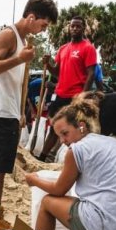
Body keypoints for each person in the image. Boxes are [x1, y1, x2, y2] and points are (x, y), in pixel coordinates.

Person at [0, 0, 58, 230]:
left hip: (9, 109)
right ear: (31, 17)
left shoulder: (22, 39)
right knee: (1, 166)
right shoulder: (9, 35)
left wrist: (21, 112)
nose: (43, 29)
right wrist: (19, 59)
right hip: (0, 110)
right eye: (42, 24)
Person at [25, 99, 116, 230]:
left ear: (81, 126)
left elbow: (58, 190)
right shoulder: (112, 142)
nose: (62, 141)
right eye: (59, 136)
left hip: (105, 227)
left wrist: (34, 180)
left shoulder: (77, 149)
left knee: (47, 202)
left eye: (65, 133)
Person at [37, 16, 97, 161]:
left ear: (83, 28)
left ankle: (78, 158)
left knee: (79, 127)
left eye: (78, 26)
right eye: (72, 26)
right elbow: (57, 72)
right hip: (60, 94)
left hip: (75, 96)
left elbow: (91, 74)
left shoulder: (88, 48)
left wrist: (84, 95)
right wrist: (48, 64)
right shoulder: (63, 49)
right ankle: (42, 156)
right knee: (54, 126)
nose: (75, 28)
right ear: (69, 28)